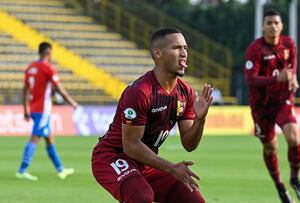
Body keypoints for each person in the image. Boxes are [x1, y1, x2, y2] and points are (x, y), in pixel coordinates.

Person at [91, 27, 212, 203]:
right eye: (176, 48)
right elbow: (131, 145)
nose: (184, 53)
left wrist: (200, 120)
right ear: (158, 53)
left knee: (193, 200)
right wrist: (170, 168)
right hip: (113, 158)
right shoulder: (141, 92)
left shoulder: (186, 93)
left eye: (185, 48)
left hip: (146, 162)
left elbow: (189, 144)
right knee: (141, 197)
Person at [243, 10, 300, 203]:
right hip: (261, 107)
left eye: (276, 23)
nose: (273, 26)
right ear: (263, 26)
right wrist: (276, 78)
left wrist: (293, 76)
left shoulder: (289, 44)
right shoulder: (255, 49)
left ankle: (295, 179)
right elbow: (250, 79)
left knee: (294, 136)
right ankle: (280, 187)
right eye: (269, 23)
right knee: (271, 148)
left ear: (281, 26)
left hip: (282, 100)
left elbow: (292, 62)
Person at [16, 42, 78, 181]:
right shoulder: (48, 68)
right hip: (43, 110)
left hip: (33, 108)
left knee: (49, 139)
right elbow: (59, 88)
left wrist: (25, 108)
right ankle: (22, 170)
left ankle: (60, 170)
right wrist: (72, 102)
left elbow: (25, 89)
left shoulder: (30, 68)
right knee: (35, 138)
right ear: (48, 53)